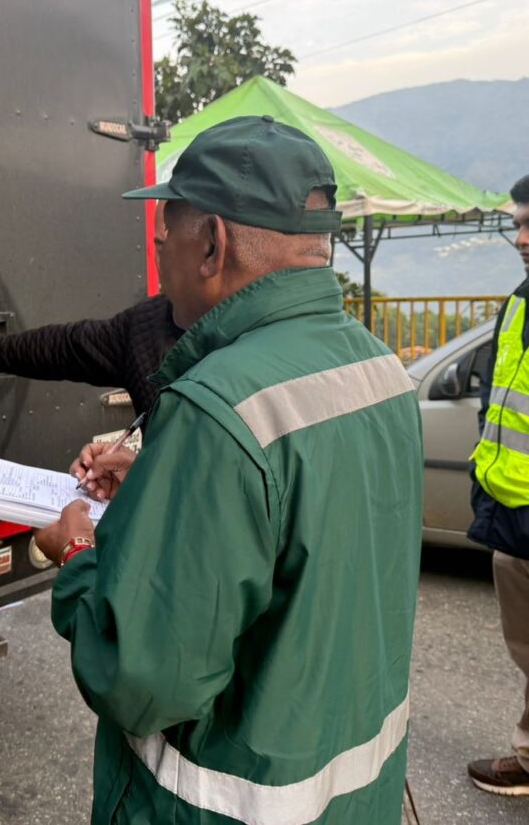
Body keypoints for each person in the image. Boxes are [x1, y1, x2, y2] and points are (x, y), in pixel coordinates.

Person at [33, 115, 424, 824]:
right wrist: (161, 490)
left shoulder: (217, 408)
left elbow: (141, 682)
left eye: (167, 236)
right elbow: (304, 534)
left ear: (211, 244)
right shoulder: (380, 370)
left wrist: (78, 553)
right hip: (355, 798)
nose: (161, 257)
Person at [0, 210, 182, 417]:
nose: (160, 261)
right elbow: (61, 347)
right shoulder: (146, 326)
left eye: (167, 244)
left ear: (204, 250)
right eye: (157, 246)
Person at [466, 176, 529, 796]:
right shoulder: (518, 303)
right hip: (511, 510)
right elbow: (498, 403)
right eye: (518, 224)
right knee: (527, 649)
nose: (522, 238)